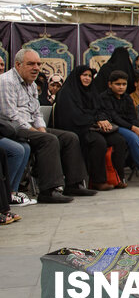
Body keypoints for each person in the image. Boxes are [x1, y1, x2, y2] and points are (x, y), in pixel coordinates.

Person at [0, 49, 95, 203]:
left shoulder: (31, 84)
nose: (36, 68)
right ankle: (49, 190)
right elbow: (11, 116)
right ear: (18, 65)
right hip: (12, 128)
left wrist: (41, 129)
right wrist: (37, 132)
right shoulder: (6, 82)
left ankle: (74, 184)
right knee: (48, 140)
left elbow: (36, 112)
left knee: (69, 137)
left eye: (38, 64)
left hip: (29, 126)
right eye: (30, 64)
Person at [53, 66, 129, 191]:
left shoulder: (92, 92)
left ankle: (116, 178)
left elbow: (100, 109)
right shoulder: (67, 92)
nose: (87, 78)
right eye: (84, 75)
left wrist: (102, 119)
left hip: (92, 126)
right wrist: (96, 120)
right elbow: (73, 115)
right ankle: (97, 181)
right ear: (77, 76)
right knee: (98, 141)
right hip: (76, 128)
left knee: (118, 140)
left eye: (89, 76)